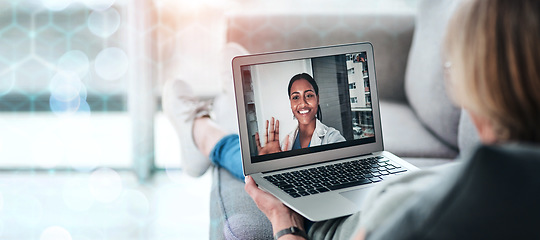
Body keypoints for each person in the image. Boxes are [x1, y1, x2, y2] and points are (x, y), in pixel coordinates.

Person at [163, 0, 540, 238]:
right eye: (294, 97)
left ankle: (202, 131)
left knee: (257, 165)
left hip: (335, 220)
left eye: (308, 94)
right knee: (268, 156)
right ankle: (220, 114)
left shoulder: (410, 212)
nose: (302, 102)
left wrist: (284, 223)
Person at [256, 73, 345, 155]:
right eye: (296, 97)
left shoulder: (333, 138)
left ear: (317, 99)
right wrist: (273, 163)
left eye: (309, 95)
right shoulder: (285, 143)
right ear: (290, 103)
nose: (302, 104)